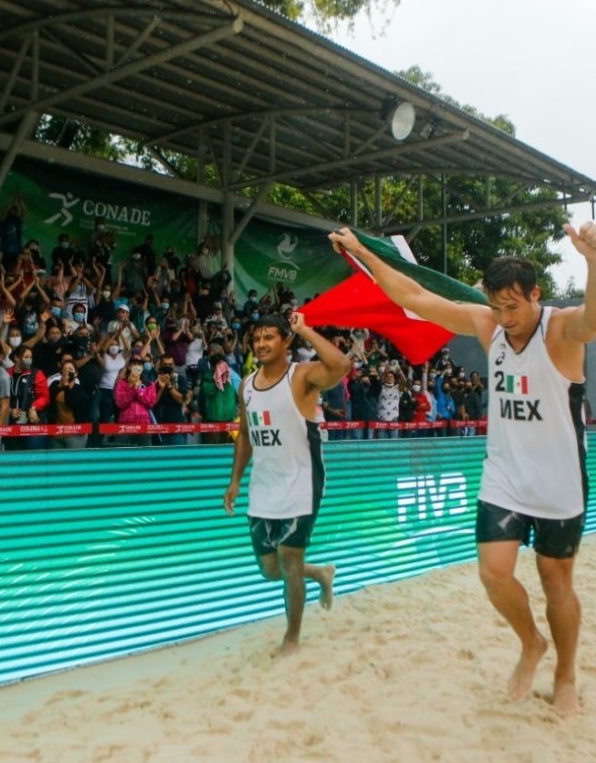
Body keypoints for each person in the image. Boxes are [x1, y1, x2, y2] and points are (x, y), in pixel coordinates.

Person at [329, 223, 596, 716]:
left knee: (556, 581)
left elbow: (593, 320)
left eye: (513, 307)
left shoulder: (560, 329)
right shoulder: (488, 324)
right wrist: (362, 250)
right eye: (496, 306)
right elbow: (414, 296)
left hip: (559, 480)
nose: (505, 318)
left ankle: (565, 675)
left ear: (535, 295)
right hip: (504, 476)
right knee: (493, 574)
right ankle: (531, 642)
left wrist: (593, 261)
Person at [223, 312, 349, 657]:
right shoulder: (246, 385)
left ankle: (291, 639)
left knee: (290, 563)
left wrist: (305, 328)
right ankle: (320, 573)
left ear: (286, 341)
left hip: (301, 482)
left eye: (269, 337)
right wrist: (235, 480)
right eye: (256, 338)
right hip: (263, 486)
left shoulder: (302, 376)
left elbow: (341, 365)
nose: (261, 344)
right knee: (269, 569)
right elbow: (245, 434)